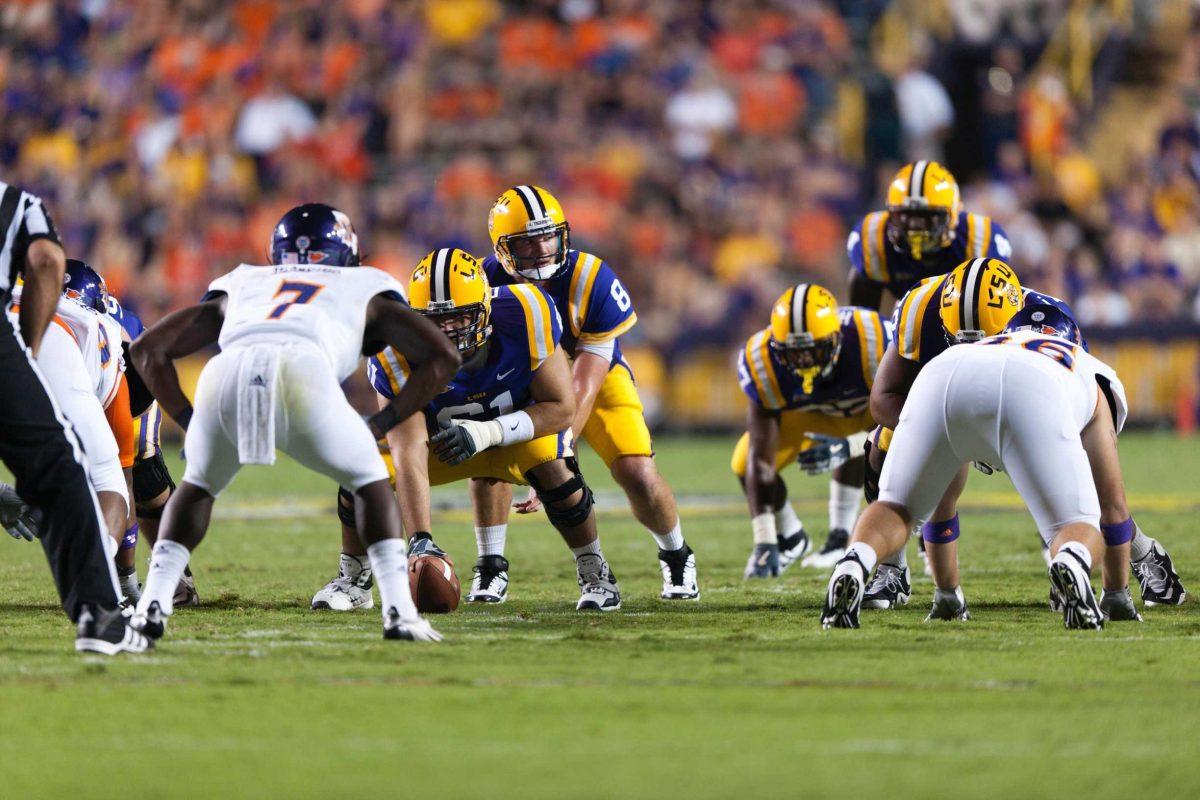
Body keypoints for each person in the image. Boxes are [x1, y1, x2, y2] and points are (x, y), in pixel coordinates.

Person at [128, 204, 459, 643]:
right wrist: (384, 422)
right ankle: (399, 612)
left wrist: (191, 419)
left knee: (197, 487)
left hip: (225, 374)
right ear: (347, 251)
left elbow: (148, 351)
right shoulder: (365, 282)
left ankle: (153, 604)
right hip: (303, 370)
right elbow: (444, 357)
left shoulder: (244, 279)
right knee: (370, 478)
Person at [865, 258, 1185, 619]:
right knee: (881, 446)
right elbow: (882, 399)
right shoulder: (920, 305)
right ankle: (890, 568)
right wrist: (948, 433)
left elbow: (1077, 404)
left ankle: (1140, 552)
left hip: (1029, 409)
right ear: (945, 315)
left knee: (1084, 490)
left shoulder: (1049, 319)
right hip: (946, 408)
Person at [314, 247, 621, 611]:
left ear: (485, 308)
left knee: (557, 468)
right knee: (361, 472)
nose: (447, 331)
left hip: (511, 439)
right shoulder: (394, 350)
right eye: (434, 321)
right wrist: (420, 539)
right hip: (441, 448)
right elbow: (409, 448)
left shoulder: (527, 312)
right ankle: (354, 579)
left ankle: (595, 572)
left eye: (459, 318)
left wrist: (487, 432)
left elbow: (561, 408)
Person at [821, 314, 1128, 631]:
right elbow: (1114, 509)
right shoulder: (1093, 376)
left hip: (944, 372)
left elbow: (944, 499)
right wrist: (1117, 595)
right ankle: (1071, 562)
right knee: (1075, 524)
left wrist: (947, 594)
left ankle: (856, 562)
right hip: (1035, 390)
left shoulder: (995, 341)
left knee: (897, 505)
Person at [474, 185, 697, 602]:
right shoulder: (483, 283)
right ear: (503, 248)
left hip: (595, 380)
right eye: (527, 240)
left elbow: (584, 383)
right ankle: (490, 566)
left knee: (637, 472)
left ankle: (676, 554)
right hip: (521, 383)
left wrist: (558, 454)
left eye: (548, 236)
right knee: (490, 457)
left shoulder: (590, 278)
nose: (542, 249)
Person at [0, 179, 148, 654]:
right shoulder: (18, 204)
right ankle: (99, 610)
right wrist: (123, 575)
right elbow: (119, 478)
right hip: (35, 342)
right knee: (94, 474)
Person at [731, 283, 890, 579]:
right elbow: (761, 455)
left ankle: (886, 538)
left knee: (886, 455)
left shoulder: (874, 340)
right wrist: (763, 540)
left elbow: (904, 417)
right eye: (793, 353)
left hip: (869, 416)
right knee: (743, 460)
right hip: (812, 417)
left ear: (837, 339)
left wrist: (853, 445)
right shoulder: (761, 358)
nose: (804, 361)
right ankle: (789, 537)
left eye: (812, 350)